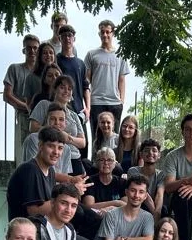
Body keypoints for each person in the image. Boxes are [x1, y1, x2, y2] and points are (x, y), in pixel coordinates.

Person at [7, 126, 108, 240]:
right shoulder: (30, 170)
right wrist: (73, 194)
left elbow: (57, 183)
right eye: (51, 146)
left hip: (51, 232)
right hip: (36, 236)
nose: (56, 151)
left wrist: (72, 182)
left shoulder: (49, 171)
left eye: (60, 148)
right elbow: (34, 212)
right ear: (40, 146)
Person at [85, 20, 130, 149]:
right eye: (102, 32)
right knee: (97, 136)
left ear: (112, 33)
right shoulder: (92, 54)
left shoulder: (120, 55)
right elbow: (87, 80)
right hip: (96, 101)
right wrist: (87, 103)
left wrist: (121, 101)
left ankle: (114, 166)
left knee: (115, 138)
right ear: (99, 33)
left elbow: (121, 80)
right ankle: (95, 165)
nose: (105, 35)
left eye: (107, 32)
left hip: (114, 102)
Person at [30, 75, 87, 175]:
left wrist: (68, 138)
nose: (66, 91)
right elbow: (33, 127)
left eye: (69, 89)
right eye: (62, 87)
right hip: (52, 155)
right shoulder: (44, 105)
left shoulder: (74, 115)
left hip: (73, 157)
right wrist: (53, 132)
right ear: (55, 89)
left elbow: (82, 142)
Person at [3, 34, 40, 165]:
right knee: (25, 151)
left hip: (42, 117)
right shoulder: (15, 69)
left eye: (35, 48)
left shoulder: (44, 72)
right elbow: (7, 95)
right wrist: (27, 107)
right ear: (24, 50)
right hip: (24, 116)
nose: (32, 51)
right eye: (29, 48)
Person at [55, 24, 90, 156]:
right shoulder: (56, 61)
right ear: (60, 39)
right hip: (63, 108)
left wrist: (88, 108)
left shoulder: (80, 63)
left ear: (74, 38)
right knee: (62, 143)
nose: (67, 39)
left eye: (69, 36)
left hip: (79, 109)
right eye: (64, 36)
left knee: (82, 144)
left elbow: (86, 87)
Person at [21, 103, 74, 179]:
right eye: (52, 119)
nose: (57, 123)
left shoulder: (66, 148)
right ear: (46, 121)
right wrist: (71, 180)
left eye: (61, 119)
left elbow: (64, 177)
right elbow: (34, 171)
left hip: (56, 189)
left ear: (65, 123)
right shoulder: (33, 139)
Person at [128, 138, 165, 217]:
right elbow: (144, 194)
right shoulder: (133, 171)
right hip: (138, 206)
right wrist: (155, 215)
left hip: (155, 207)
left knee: (164, 209)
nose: (150, 153)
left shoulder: (161, 175)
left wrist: (157, 212)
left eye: (154, 150)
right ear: (141, 154)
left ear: (159, 155)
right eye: (147, 150)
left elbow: (160, 194)